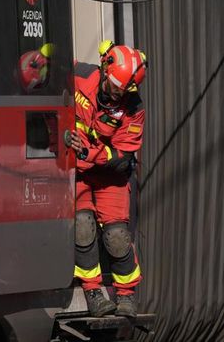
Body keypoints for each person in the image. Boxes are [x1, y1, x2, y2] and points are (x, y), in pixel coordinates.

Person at [65, 40, 147, 318]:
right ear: (104, 68)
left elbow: (123, 154)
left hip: (110, 175)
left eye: (123, 89)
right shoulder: (81, 75)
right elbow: (51, 67)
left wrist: (89, 151)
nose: (117, 94)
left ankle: (127, 295)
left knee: (117, 237)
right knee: (82, 227)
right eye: (114, 86)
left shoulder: (133, 106)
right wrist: (41, 56)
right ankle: (93, 292)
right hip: (78, 171)